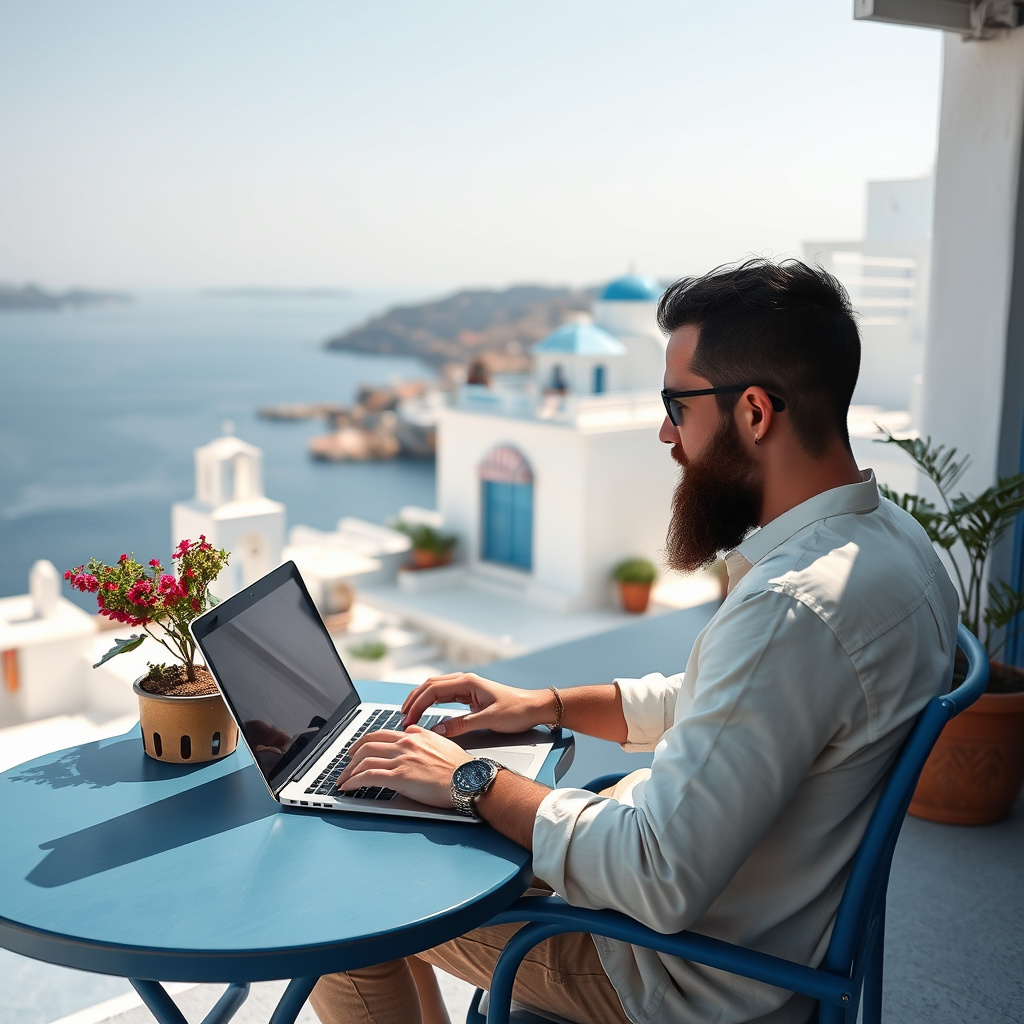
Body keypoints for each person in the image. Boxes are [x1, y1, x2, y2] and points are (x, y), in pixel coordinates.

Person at [310, 258, 959, 1024]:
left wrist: (472, 779)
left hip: (675, 973)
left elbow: (657, 875)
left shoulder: (792, 609)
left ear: (755, 412)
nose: (664, 432)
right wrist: (541, 703)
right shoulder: (897, 546)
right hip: (750, 925)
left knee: (342, 910)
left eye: (676, 405)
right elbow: (719, 705)